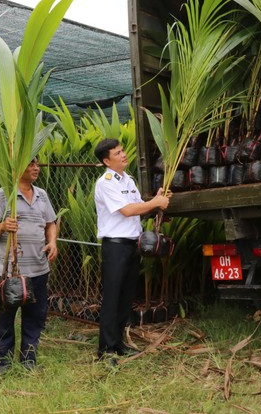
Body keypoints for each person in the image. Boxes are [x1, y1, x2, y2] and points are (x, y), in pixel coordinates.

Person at [93, 138, 170, 363]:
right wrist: (156, 202)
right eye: (117, 153)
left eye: (122, 150)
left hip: (131, 245)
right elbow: (127, 210)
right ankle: (105, 349)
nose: (123, 154)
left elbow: (139, 210)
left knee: (126, 297)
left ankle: (117, 344)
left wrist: (156, 201)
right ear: (107, 161)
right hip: (115, 246)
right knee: (112, 297)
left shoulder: (129, 180)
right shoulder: (106, 182)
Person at [0, 156, 58, 373]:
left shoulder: (42, 195)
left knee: (35, 316)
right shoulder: (1, 195)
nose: (36, 167)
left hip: (39, 268)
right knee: (6, 317)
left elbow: (51, 223)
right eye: (31, 163)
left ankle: (28, 360)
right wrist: (3, 226)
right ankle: (4, 362)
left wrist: (52, 242)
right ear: (18, 167)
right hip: (10, 271)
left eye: (37, 164)